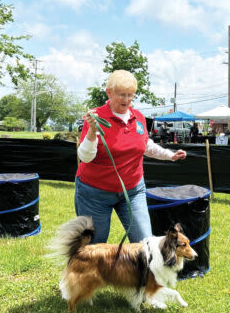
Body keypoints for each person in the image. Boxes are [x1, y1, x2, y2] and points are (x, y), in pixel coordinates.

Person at [75, 70, 187, 244]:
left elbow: (145, 145)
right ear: (109, 93)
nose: (126, 100)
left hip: (132, 190)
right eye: (121, 95)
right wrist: (91, 131)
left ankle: (140, 272)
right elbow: (85, 157)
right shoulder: (96, 117)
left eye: (130, 95)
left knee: (145, 243)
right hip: (94, 193)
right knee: (93, 247)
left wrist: (170, 155)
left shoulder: (138, 117)